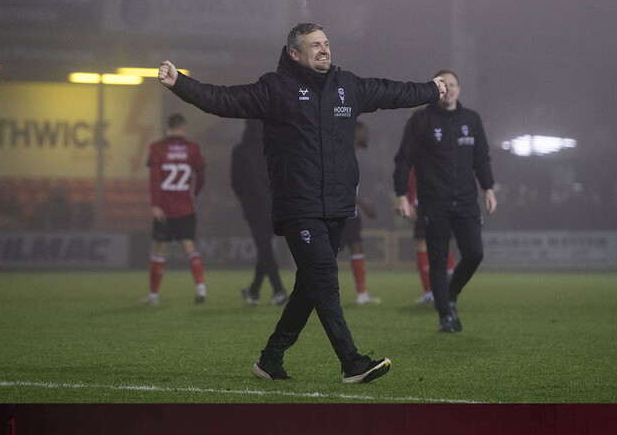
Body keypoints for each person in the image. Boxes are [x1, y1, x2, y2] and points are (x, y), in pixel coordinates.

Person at [157, 22, 445, 383]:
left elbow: (391, 92)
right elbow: (224, 100)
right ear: (295, 54)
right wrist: (180, 83)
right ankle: (351, 361)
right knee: (324, 277)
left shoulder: (347, 86)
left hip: (338, 205)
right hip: (299, 205)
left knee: (309, 287)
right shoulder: (276, 89)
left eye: (326, 44)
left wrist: (431, 91)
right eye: (315, 46)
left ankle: (270, 359)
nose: (324, 50)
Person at [393, 70, 496, 333]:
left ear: (459, 89)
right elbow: (403, 159)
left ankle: (449, 295)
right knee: (438, 260)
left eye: (452, 84)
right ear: (435, 89)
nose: (448, 89)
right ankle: (445, 316)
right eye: (442, 85)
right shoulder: (421, 121)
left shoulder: (471, 120)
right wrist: (402, 194)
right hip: (434, 203)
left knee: (474, 253)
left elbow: (481, 158)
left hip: (465, 202)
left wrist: (488, 188)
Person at [143, 112, 208, 306]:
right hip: (186, 206)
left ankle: (153, 296)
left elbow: (154, 179)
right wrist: (193, 193)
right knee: (189, 246)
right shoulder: (192, 148)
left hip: (164, 208)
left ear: (168, 127)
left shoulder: (157, 148)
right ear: (182, 127)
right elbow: (202, 175)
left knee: (160, 249)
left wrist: (155, 204)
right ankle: (201, 287)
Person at [232, 119, 289, 307]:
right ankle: (254, 291)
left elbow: (235, 182)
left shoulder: (240, 151)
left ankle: (278, 290)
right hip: (275, 204)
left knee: (263, 247)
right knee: (264, 247)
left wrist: (245, 200)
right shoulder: (272, 147)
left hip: (254, 206)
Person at [339, 121, 380, 305]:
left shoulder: (351, 154)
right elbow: (338, 185)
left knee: (357, 246)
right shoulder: (342, 152)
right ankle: (312, 294)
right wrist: (363, 202)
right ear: (355, 132)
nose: (368, 135)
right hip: (338, 210)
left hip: (350, 211)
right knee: (329, 252)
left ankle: (362, 294)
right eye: (365, 131)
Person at [405, 166, 455, 304]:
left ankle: (432, 293)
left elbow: (412, 175)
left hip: (429, 203)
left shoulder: (419, 151)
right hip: (440, 203)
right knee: (441, 245)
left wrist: (409, 201)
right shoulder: (444, 151)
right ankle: (441, 293)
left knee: (427, 246)